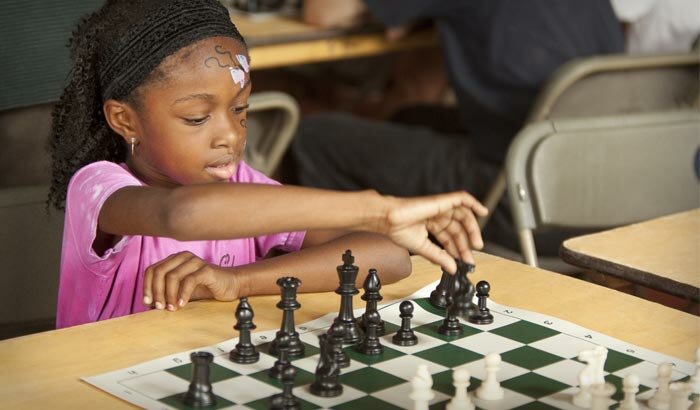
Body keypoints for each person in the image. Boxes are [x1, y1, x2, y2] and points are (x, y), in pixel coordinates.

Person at [48, 0, 488, 329]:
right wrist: (378, 210)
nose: (231, 135)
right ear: (125, 119)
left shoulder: (242, 186)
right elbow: (181, 214)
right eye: (197, 118)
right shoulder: (100, 187)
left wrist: (236, 281)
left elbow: (390, 258)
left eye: (241, 110)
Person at [292, 0, 625, 251]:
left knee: (315, 137)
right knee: (409, 117)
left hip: (526, 207)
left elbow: (323, 12)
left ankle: (361, 271)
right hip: (617, 199)